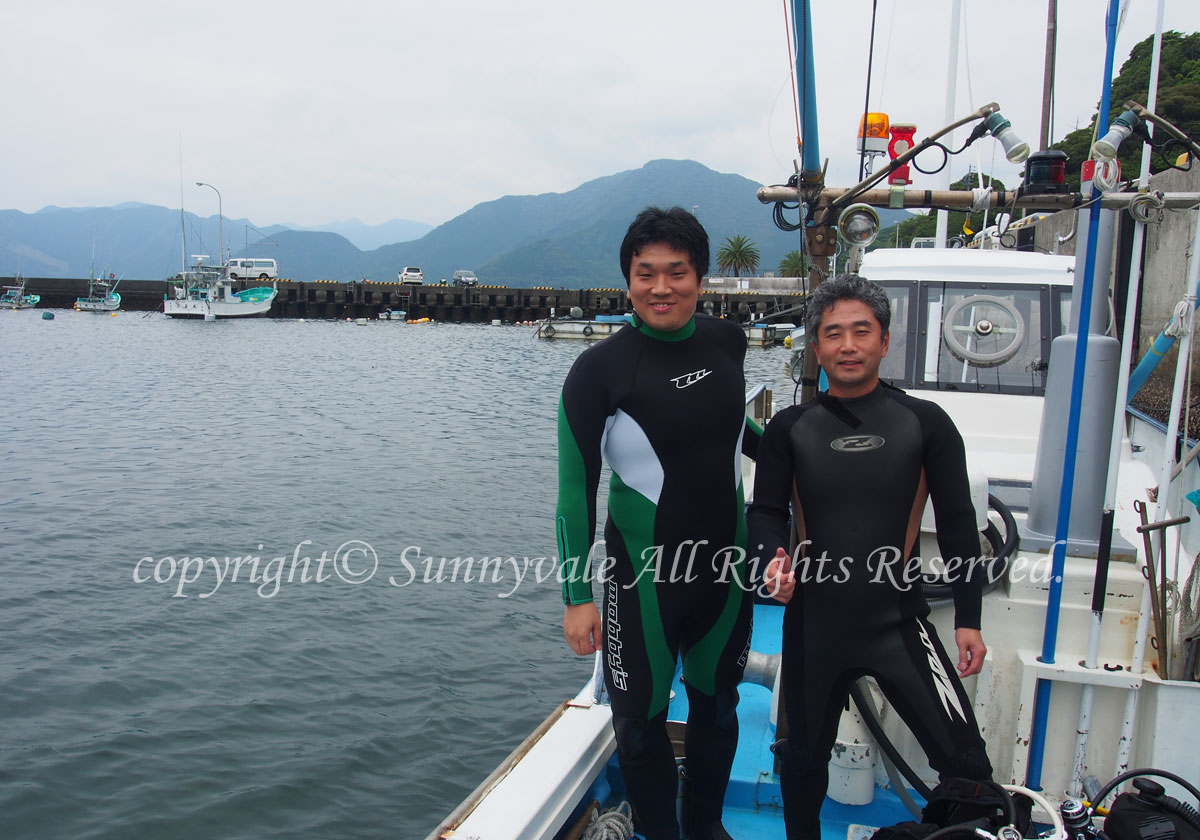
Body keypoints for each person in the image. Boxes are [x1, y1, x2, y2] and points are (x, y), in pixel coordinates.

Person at [747, 274, 993, 840]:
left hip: (898, 622)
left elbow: (957, 524)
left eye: (862, 331)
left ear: (885, 341)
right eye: (833, 334)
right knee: (802, 761)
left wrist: (970, 619)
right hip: (814, 624)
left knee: (966, 765)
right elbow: (763, 513)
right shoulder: (791, 428)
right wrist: (772, 560)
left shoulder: (925, 422)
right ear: (816, 348)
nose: (848, 345)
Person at [557, 206, 760, 840]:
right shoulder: (599, 371)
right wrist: (576, 597)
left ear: (700, 278)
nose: (662, 288)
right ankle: (660, 832)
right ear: (628, 280)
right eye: (647, 274)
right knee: (640, 720)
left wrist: (800, 452)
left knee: (718, 706)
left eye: (677, 272)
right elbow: (573, 491)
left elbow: (737, 431)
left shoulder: (728, 342)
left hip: (726, 570)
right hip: (640, 578)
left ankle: (704, 828)